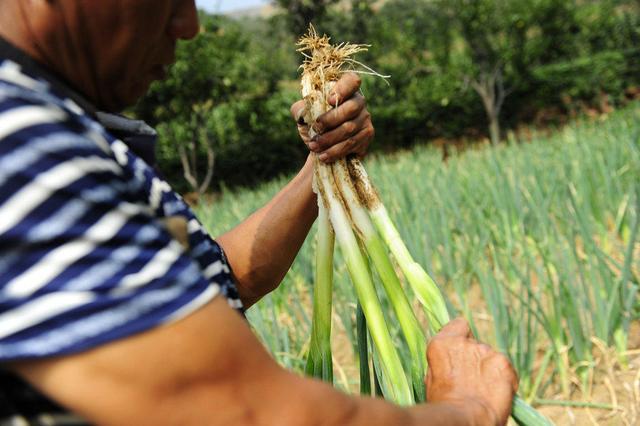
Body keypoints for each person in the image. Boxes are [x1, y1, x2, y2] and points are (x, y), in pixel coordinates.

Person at [0, 1, 518, 425]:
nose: (189, 26)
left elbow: (220, 277)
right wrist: (467, 409)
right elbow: (248, 412)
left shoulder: (56, 125)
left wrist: (325, 167)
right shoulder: (20, 141)